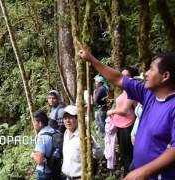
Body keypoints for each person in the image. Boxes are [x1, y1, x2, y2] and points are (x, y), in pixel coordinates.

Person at [78, 49, 175, 180]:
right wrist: (92, 60)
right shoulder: (148, 94)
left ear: (165, 76)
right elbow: (118, 78)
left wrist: (143, 172)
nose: (145, 74)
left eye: (151, 70)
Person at [107, 67, 138, 176]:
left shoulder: (131, 91)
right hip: (121, 126)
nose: (123, 78)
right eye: (122, 75)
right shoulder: (125, 91)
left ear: (132, 78)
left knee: (128, 154)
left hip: (127, 126)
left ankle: (131, 175)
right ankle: (127, 174)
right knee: (124, 154)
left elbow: (125, 110)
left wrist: (111, 111)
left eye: (127, 76)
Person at [61, 105, 102, 180]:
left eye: (70, 117)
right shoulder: (66, 133)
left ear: (77, 119)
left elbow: (99, 154)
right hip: (67, 177)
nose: (67, 121)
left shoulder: (84, 135)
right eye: (65, 118)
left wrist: (92, 144)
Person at [31, 111, 55, 180]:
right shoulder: (53, 131)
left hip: (44, 172)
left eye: (35, 122)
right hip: (55, 170)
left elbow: (39, 160)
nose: (34, 124)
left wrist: (33, 155)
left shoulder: (42, 137)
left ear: (40, 123)